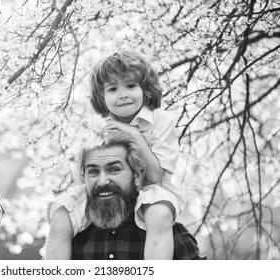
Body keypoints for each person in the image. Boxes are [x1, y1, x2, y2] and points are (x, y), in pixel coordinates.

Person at [46, 50, 185, 259]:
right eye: (113, 89)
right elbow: (82, 174)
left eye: (130, 86)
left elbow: (155, 176)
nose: (123, 94)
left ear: (145, 90)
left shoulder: (160, 121)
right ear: (102, 97)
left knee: (159, 214)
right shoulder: (97, 125)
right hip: (109, 189)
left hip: (151, 192)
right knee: (61, 213)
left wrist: (134, 134)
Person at [71, 132, 202, 259]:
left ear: (137, 177)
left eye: (114, 169)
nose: (102, 181)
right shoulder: (70, 238)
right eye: (93, 171)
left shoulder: (170, 234)